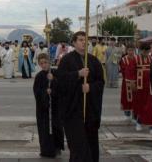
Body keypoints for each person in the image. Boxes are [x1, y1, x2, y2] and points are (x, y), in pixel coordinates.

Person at [56, 31, 104, 162]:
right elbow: (61, 80)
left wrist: (91, 87)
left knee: (91, 145)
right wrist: (77, 74)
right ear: (74, 42)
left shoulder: (94, 61)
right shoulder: (66, 60)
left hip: (90, 112)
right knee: (78, 147)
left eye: (85, 40)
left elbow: (100, 82)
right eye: (81, 40)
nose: (84, 42)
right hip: (73, 111)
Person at [33, 53, 64, 158]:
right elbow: (37, 93)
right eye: (41, 63)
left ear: (49, 62)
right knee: (45, 130)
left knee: (56, 128)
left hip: (55, 108)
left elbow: (62, 89)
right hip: (43, 110)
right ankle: (46, 150)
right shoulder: (39, 77)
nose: (44, 65)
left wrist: (53, 81)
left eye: (45, 62)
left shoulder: (55, 73)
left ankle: (57, 148)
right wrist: (45, 92)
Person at [133, 43, 152, 133]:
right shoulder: (135, 59)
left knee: (150, 105)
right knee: (141, 105)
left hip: (149, 85)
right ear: (141, 50)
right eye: (144, 50)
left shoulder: (151, 58)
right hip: (139, 85)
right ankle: (139, 121)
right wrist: (132, 83)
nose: (146, 52)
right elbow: (131, 71)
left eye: (147, 50)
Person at [120, 44, 137, 120]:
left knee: (135, 98)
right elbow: (123, 71)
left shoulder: (137, 58)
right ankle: (127, 113)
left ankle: (135, 114)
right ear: (127, 51)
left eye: (132, 50)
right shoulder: (123, 59)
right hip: (126, 82)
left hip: (136, 82)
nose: (131, 52)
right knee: (126, 98)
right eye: (129, 50)